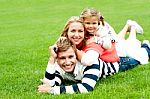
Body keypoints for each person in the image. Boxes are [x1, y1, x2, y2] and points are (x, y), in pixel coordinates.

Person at [38, 37, 119, 94]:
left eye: (71, 57)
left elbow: (86, 87)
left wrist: (53, 90)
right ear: (57, 59)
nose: (67, 62)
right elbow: (49, 84)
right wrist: (52, 59)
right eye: (62, 58)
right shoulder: (58, 66)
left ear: (76, 56)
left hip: (116, 64)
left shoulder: (90, 64)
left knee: (127, 52)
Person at [80, 8, 150, 65]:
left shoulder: (101, 30)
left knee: (132, 44)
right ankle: (128, 25)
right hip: (114, 40)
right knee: (118, 39)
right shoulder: (85, 28)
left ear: (98, 22)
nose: (91, 26)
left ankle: (133, 27)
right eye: (88, 23)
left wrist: (96, 40)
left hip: (116, 47)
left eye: (93, 23)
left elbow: (108, 45)